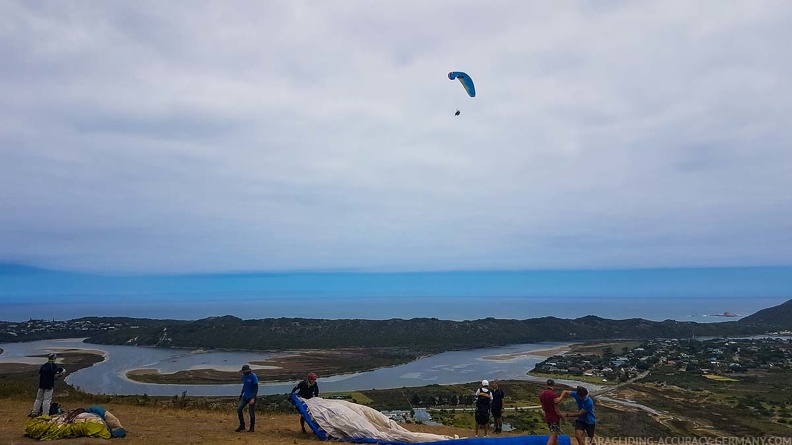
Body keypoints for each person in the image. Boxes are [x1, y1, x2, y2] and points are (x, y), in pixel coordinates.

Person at [29, 353, 65, 417]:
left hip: (41, 384)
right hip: (49, 385)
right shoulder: (53, 366)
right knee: (47, 400)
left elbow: (40, 374)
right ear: (54, 358)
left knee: (38, 399)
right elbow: (55, 374)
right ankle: (45, 414)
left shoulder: (43, 365)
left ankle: (34, 412)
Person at [235, 364, 258, 433]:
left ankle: (252, 428)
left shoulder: (253, 376)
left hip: (251, 397)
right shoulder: (244, 377)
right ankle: (242, 426)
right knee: (239, 409)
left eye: (244, 372)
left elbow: (256, 388)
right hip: (245, 396)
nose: (243, 373)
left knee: (251, 412)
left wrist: (253, 398)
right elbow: (244, 386)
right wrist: (241, 393)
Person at [539, 379, 562, 445]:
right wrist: (560, 415)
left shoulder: (542, 394)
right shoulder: (553, 394)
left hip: (548, 417)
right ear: (553, 385)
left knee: (555, 436)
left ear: (547, 384)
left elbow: (543, 407)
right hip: (554, 417)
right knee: (553, 435)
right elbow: (556, 408)